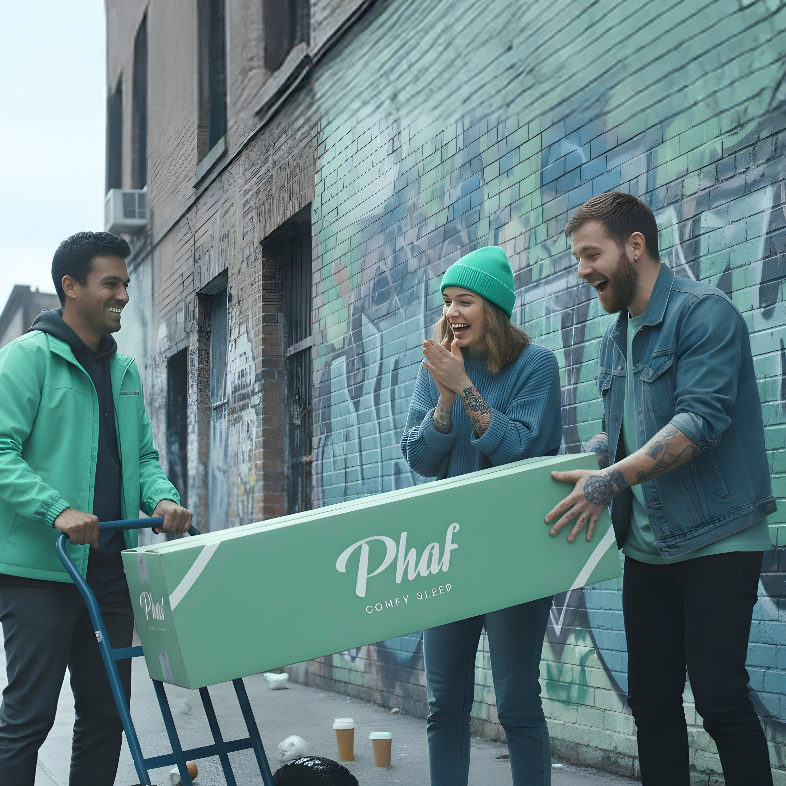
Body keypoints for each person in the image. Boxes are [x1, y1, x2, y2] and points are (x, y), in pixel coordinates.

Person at [545, 192, 775, 786]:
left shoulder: (705, 314)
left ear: (636, 246)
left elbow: (699, 422)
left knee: (720, 700)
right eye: (578, 258)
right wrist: (595, 462)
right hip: (647, 549)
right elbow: (625, 434)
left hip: (719, 540)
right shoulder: (615, 337)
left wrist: (610, 479)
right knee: (651, 706)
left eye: (591, 254)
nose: (582, 271)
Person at [0, 231, 193, 785]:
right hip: (40, 572)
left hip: (109, 573)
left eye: (126, 284)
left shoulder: (125, 371)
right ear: (71, 287)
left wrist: (162, 497)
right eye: (111, 283)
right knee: (28, 719)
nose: (123, 295)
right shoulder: (27, 359)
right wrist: (56, 509)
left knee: (107, 715)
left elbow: (144, 459)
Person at [400, 246, 562, 786]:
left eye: (463, 300)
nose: (451, 312)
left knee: (517, 703)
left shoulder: (537, 366)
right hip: (447, 554)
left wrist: (466, 388)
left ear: (491, 307)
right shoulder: (441, 365)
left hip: (514, 552)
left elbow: (520, 447)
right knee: (444, 704)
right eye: (446, 301)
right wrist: (444, 400)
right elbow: (421, 459)